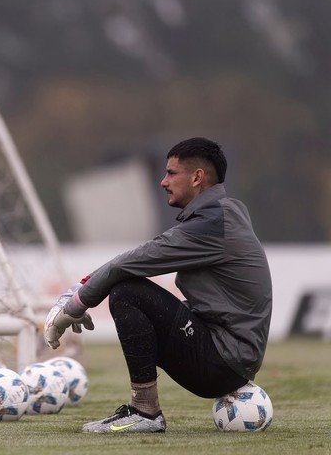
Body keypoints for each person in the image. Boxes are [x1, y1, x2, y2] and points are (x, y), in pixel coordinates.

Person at [44, 137, 272, 433]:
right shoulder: (223, 214)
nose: (163, 181)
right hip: (230, 358)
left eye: (171, 173)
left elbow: (128, 263)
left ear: (197, 177)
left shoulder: (213, 225)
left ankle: (145, 412)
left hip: (222, 363)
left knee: (128, 292)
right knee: (130, 288)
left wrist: (75, 303)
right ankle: (144, 412)